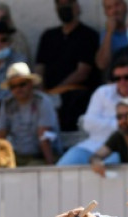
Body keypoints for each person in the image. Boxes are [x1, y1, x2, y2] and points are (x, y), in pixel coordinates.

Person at [56, 55, 128, 166]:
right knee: (63, 165)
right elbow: (89, 123)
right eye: (117, 78)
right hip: (93, 145)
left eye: (127, 77)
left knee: (108, 170)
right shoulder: (102, 93)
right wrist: (123, 124)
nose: (122, 82)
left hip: (124, 148)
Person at [34, 0, 100, 132]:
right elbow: (39, 68)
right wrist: (43, 93)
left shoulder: (88, 35)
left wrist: (56, 92)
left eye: (68, 3)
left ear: (77, 7)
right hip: (48, 95)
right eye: (60, 4)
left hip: (75, 96)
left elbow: (82, 72)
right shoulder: (48, 36)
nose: (64, 8)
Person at [0, 63, 59, 166]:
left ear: (30, 83)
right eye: (13, 86)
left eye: (22, 84)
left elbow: (44, 137)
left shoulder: (42, 102)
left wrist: (50, 166)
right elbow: (1, 135)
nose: (18, 89)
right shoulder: (7, 104)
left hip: (40, 156)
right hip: (17, 156)